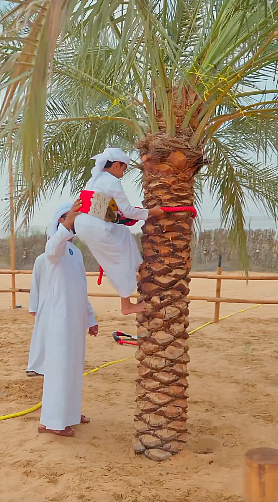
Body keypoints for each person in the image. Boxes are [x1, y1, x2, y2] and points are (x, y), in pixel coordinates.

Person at [73, 147, 164, 315]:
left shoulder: (96, 179)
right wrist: (151, 212)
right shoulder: (111, 181)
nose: (122, 174)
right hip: (95, 227)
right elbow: (128, 210)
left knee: (124, 236)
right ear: (116, 165)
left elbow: (105, 209)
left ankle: (137, 264)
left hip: (85, 225)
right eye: (123, 169)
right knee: (120, 261)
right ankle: (126, 305)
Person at [38, 200, 99, 437]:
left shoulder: (76, 252)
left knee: (73, 368)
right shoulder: (54, 246)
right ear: (60, 221)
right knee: (59, 368)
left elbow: (80, 289)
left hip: (75, 320)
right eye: (70, 217)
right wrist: (71, 218)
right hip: (59, 320)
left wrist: (90, 318)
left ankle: (71, 414)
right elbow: (54, 248)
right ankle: (53, 423)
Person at [26, 251, 48, 377]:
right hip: (44, 305)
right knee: (41, 334)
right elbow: (35, 283)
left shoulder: (71, 257)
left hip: (63, 305)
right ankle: (34, 366)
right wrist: (33, 306)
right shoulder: (41, 260)